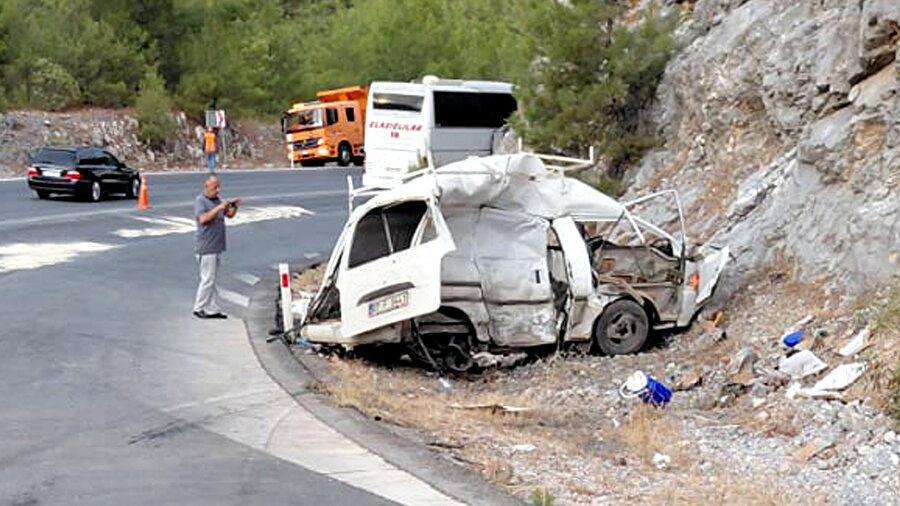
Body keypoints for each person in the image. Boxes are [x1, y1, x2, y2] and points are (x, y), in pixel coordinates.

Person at [193, 174, 240, 319]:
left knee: (212, 280)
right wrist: (218, 207)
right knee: (207, 279)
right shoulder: (201, 201)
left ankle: (211, 307)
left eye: (219, 187)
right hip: (207, 247)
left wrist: (234, 207)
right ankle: (199, 307)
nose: (218, 190)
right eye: (215, 187)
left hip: (217, 246)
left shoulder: (217, 200)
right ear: (206, 187)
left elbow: (229, 215)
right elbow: (203, 219)